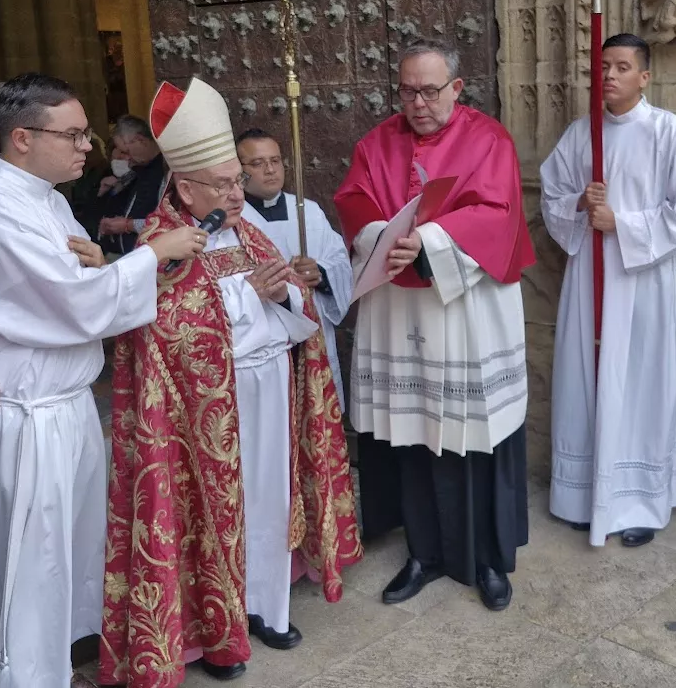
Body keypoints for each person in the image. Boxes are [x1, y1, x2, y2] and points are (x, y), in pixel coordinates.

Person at [0, 73, 206, 688]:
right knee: (31, 563)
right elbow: (67, 305)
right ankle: (22, 674)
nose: (89, 147)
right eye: (76, 134)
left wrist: (108, 262)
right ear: (23, 137)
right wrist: (154, 254)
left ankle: (54, 663)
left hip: (65, 405)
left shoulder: (48, 197)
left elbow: (73, 286)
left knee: (65, 557)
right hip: (25, 414)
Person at [101, 78, 360, 686]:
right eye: (223, 184)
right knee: (220, 508)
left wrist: (284, 292)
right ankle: (220, 627)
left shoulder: (249, 232)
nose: (236, 193)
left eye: (238, 181)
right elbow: (160, 328)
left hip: (269, 385)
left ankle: (269, 607)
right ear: (185, 187)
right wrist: (249, 299)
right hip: (203, 410)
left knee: (270, 497)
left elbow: (296, 309)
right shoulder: (157, 245)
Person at [335, 38, 535, 609]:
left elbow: (497, 212)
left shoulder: (487, 138)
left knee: (474, 437)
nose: (418, 103)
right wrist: (386, 238)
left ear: (457, 87)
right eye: (407, 91)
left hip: (465, 310)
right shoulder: (377, 142)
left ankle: (488, 560)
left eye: (429, 90)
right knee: (415, 431)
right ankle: (423, 553)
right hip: (400, 308)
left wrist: (431, 240)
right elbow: (355, 201)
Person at [540, 32, 676, 549]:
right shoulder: (579, 134)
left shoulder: (668, 131)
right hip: (589, 279)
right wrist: (577, 204)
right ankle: (581, 495)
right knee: (585, 379)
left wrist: (622, 223)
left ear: (645, 76)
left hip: (645, 282)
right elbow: (551, 195)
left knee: (641, 385)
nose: (608, 75)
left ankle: (639, 499)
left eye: (621, 67)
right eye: (602, 66)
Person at [239, 127, 354, 399]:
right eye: (257, 163)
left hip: (310, 333)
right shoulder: (234, 218)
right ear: (239, 171)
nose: (270, 170)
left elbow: (340, 261)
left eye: (275, 160)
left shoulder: (308, 211)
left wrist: (321, 273)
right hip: (263, 339)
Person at [97, 113, 168, 254]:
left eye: (126, 151)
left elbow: (170, 222)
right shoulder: (138, 170)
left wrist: (128, 225)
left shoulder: (166, 170)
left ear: (140, 140)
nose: (126, 158)